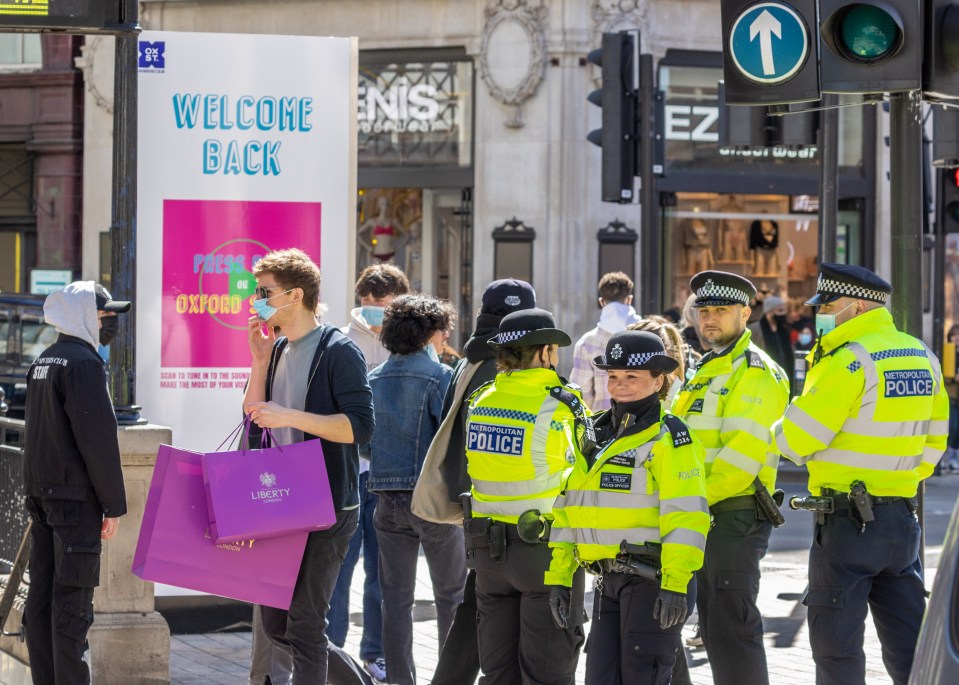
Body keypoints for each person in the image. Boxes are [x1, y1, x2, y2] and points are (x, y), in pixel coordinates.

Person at [773, 263, 949, 685]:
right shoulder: (921, 353)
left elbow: (794, 442)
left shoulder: (847, 361)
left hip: (846, 525)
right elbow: (934, 444)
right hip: (902, 521)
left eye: (828, 305)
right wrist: (896, 478)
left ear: (855, 307)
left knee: (837, 650)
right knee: (910, 646)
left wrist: (787, 419)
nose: (822, 314)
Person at [546, 330, 710, 685]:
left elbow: (687, 516)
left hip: (654, 579)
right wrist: (560, 576)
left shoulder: (670, 438)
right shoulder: (595, 434)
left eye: (631, 377)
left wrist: (676, 584)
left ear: (658, 381)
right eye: (613, 376)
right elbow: (567, 508)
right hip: (609, 579)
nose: (619, 386)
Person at [243, 248, 375, 684]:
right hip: (279, 500)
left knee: (304, 623)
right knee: (278, 624)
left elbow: (359, 428)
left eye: (264, 292)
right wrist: (259, 360)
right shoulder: (277, 348)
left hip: (328, 506)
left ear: (295, 295)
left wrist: (292, 418)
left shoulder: (339, 351)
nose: (256, 299)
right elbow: (252, 413)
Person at [671, 270, 790, 685]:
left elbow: (739, 460)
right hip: (701, 514)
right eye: (704, 310)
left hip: (730, 516)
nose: (709, 319)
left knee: (731, 632)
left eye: (721, 310)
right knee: (709, 627)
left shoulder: (755, 372)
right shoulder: (707, 369)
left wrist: (685, 505)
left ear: (746, 312)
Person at [465, 308, 586, 685]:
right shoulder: (561, 404)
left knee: (498, 670)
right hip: (544, 553)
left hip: (488, 552)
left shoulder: (482, 400)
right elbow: (585, 474)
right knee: (548, 669)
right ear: (545, 352)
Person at [427, 278, 537, 685]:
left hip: (476, 503)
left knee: (475, 608)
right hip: (495, 508)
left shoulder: (470, 358)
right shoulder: (498, 366)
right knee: (481, 610)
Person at [23, 281, 130, 685]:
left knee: (42, 605)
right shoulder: (84, 364)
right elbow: (97, 441)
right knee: (71, 609)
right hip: (74, 503)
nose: (110, 324)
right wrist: (113, 505)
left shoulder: (45, 360)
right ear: (85, 316)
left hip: (45, 495)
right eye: (105, 315)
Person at [367, 294, 466, 685]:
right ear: (429, 334)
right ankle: (449, 678)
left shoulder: (373, 378)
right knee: (451, 597)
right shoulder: (440, 377)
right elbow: (451, 442)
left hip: (386, 502)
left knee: (394, 600)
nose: (445, 338)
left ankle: (400, 680)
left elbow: (363, 442)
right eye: (443, 331)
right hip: (433, 502)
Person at [334, 263, 411, 682]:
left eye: (383, 306)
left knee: (384, 572)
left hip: (391, 472)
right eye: (368, 304)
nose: (374, 312)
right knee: (340, 565)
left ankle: (375, 652)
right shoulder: (345, 343)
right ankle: (330, 648)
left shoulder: (410, 346)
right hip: (351, 469)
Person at [569, 271, 641, 411]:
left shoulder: (586, 343)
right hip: (645, 423)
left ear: (601, 302)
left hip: (602, 425)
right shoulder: (648, 333)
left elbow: (581, 394)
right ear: (629, 300)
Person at [748, 295, 794, 375]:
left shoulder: (784, 329)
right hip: (763, 375)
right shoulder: (754, 330)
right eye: (780, 310)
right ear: (769, 312)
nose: (783, 314)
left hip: (783, 374)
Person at [943, 323, 959, 472]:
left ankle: (954, 458)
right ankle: (946, 458)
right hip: (951, 394)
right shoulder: (947, 352)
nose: (957, 339)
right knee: (951, 426)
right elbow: (946, 375)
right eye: (955, 335)